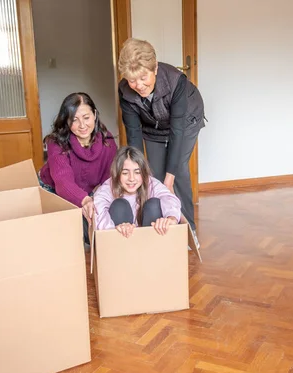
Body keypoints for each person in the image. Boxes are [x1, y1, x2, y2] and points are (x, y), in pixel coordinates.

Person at [117, 38, 204, 247]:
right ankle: (159, 228)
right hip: (152, 126)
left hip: (186, 121)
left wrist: (170, 179)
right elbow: (134, 134)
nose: (138, 85)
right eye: (132, 80)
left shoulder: (176, 81)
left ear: (154, 68)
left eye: (143, 77)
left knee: (178, 170)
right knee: (152, 173)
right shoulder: (125, 91)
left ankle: (187, 231)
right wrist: (135, 171)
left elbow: (177, 131)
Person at [38, 92, 117, 243]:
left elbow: (109, 179)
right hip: (53, 190)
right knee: (62, 235)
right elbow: (62, 183)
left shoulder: (108, 141)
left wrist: (96, 200)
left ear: (94, 114)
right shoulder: (56, 142)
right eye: (74, 120)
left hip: (89, 193)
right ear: (66, 122)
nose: (82, 125)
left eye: (86, 118)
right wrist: (86, 200)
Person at [93, 146, 182, 238]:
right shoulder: (108, 187)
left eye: (137, 172)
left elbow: (168, 197)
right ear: (117, 173)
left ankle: (153, 248)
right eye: (125, 173)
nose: (131, 178)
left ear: (143, 173)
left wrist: (171, 218)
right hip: (121, 242)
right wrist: (114, 229)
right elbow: (98, 211)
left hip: (149, 241)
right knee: (119, 205)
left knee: (154, 204)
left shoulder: (150, 182)